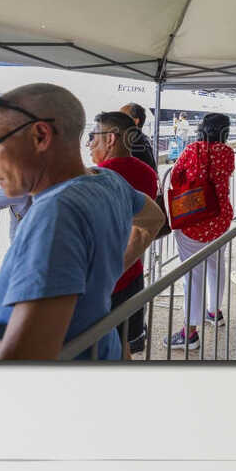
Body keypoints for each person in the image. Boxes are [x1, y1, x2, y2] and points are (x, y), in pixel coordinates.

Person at [0, 84, 164, 362]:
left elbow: (24, 358)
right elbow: (154, 219)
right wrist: (110, 269)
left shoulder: (54, 213)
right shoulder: (107, 181)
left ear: (40, 136)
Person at [87, 110, 158, 356]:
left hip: (102, 280)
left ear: (111, 139)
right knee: (123, 344)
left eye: (93, 136)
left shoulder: (98, 177)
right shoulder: (148, 172)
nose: (89, 144)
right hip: (132, 272)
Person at [165, 112, 236, 349]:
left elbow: (175, 178)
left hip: (195, 220)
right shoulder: (228, 153)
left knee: (192, 276)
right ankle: (214, 312)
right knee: (217, 264)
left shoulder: (192, 150)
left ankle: (190, 333)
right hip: (221, 219)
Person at [119, 101, 159, 173]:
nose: (117, 120)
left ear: (135, 121)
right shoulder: (142, 138)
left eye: (122, 117)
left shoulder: (132, 141)